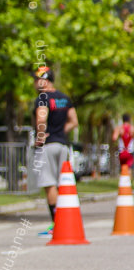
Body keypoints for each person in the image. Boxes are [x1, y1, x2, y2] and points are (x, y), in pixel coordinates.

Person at [31, 66, 78, 236]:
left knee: (49, 184)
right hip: (63, 145)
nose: (35, 83)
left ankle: (56, 223)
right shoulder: (65, 99)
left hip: (48, 146)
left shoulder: (42, 99)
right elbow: (74, 121)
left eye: (37, 79)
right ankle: (67, 221)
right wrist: (61, 132)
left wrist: (41, 135)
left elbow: (41, 117)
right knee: (62, 183)